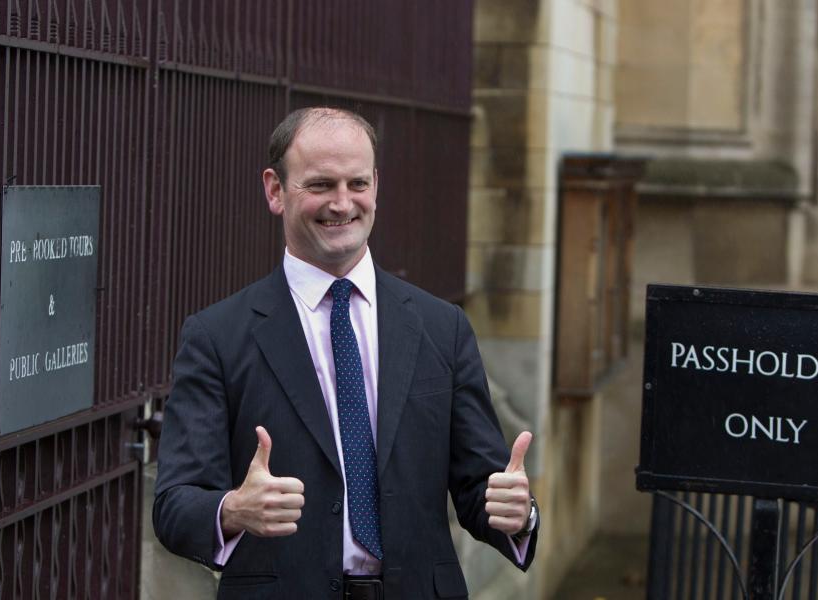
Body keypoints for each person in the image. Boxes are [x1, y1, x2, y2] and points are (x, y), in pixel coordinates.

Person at [153, 107, 539, 600]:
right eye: (320, 185)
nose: (342, 203)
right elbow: (173, 504)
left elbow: (479, 487)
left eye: (357, 183)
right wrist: (232, 511)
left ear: (376, 185)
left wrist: (518, 513)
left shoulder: (443, 328)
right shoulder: (217, 337)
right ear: (275, 190)